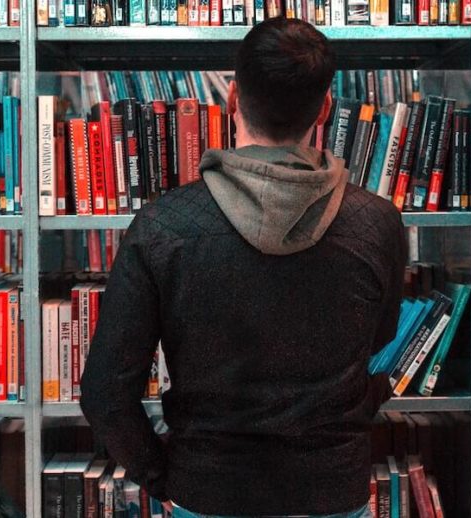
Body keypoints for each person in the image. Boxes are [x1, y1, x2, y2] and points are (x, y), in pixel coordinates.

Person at [79, 17, 407, 517]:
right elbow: (378, 343)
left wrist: (162, 476)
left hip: (209, 486)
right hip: (331, 487)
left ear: (231, 99)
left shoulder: (163, 226)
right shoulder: (377, 223)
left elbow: (105, 391)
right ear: (324, 110)